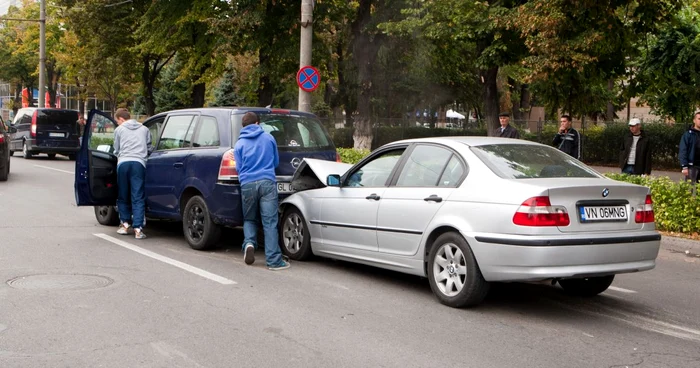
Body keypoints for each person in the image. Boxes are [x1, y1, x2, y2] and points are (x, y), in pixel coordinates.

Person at [234, 112, 290, 271]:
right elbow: (275, 161)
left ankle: (249, 244)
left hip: (247, 185)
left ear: (243, 127)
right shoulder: (268, 138)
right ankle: (273, 261)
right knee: (270, 222)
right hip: (267, 182)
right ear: (258, 123)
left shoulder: (239, 144)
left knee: (250, 219)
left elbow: (239, 168)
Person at [113, 108, 152, 239]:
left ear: (121, 119)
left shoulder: (119, 130)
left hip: (123, 163)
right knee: (138, 196)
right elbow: (149, 147)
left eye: (117, 121)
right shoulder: (145, 129)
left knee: (123, 195)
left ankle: (124, 225)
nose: (118, 124)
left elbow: (116, 149)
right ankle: (138, 229)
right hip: (139, 164)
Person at [679, 112, 700, 186]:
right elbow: (683, 151)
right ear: (694, 120)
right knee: (691, 190)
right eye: (699, 119)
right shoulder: (688, 135)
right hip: (692, 166)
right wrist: (684, 166)